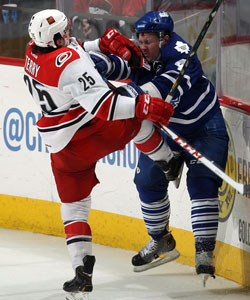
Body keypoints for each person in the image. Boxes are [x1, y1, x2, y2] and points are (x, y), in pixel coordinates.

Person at [24, 9, 175, 299]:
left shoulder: (34, 51)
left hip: (62, 150)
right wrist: (144, 106)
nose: (69, 35)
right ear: (55, 37)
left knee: (73, 208)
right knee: (136, 118)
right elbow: (105, 106)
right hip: (91, 133)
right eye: (64, 33)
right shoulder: (67, 64)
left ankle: (81, 273)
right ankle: (168, 160)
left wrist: (100, 46)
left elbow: (72, 50)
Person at [88, 11, 229, 283]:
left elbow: (155, 91)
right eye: (139, 38)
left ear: (164, 39)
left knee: (203, 183)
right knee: (147, 180)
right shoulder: (141, 50)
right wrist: (94, 65)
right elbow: (118, 64)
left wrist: (115, 100)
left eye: (148, 40)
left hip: (203, 126)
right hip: (167, 128)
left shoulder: (182, 58)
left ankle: (203, 253)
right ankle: (161, 240)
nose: (142, 44)